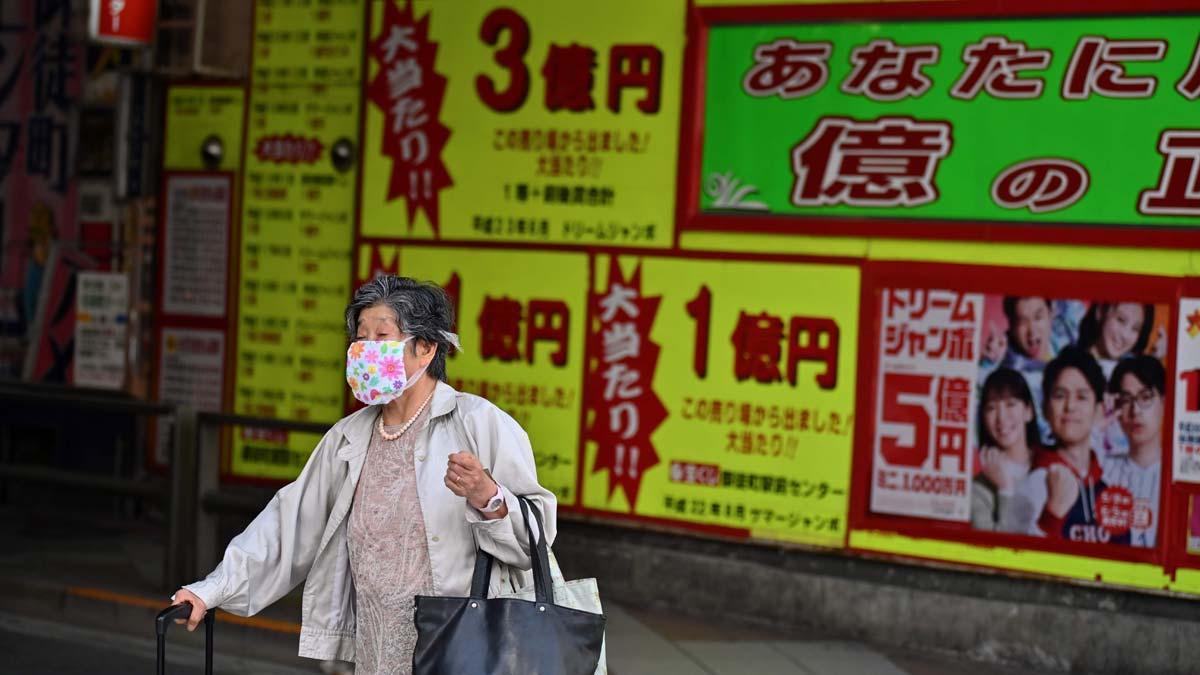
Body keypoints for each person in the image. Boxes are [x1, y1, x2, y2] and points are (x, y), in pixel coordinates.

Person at [170, 275, 557, 674]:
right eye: (360, 337)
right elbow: (288, 527)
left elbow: (535, 543)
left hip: (463, 654)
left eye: (381, 336)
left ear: (425, 348)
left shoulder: (480, 424)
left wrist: (488, 497)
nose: (365, 351)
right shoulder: (348, 438)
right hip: (374, 657)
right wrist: (211, 590)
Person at [1026, 347, 1129, 545]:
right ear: (1045, 408)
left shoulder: (1112, 477)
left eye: (1081, 397)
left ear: (1098, 410)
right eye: (1060, 396)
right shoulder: (1035, 483)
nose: (1070, 406)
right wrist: (1050, 517)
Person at [1101, 356, 1165, 548]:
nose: (1135, 410)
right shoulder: (1103, 468)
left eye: (1145, 397)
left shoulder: (1177, 475)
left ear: (1164, 402)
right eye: (1126, 400)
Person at [971, 368, 1043, 533]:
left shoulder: (1050, 464)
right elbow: (993, 550)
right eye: (991, 408)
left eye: (1011, 404)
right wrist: (1005, 489)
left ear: (1028, 411)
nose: (1001, 417)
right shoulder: (979, 488)